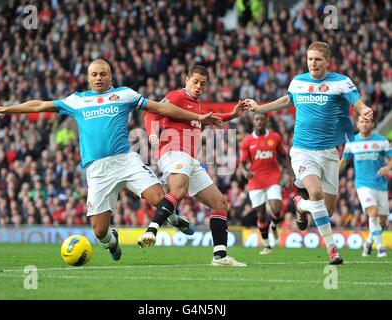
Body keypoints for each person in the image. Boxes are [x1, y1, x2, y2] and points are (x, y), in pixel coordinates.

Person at [0, 59, 222, 261]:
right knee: (99, 232)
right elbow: (40, 105)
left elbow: (163, 109)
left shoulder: (124, 94)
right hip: (97, 170)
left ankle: (172, 217)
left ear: (111, 76)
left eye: (103, 74)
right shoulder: (76, 100)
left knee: (159, 198)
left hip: (126, 160)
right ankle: (112, 241)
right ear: (88, 78)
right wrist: (6, 109)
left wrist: (198, 117)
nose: (99, 78)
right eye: (94, 74)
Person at [247, 41, 374, 265]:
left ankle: (299, 205)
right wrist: (260, 107)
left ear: (328, 61)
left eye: (317, 59)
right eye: (309, 59)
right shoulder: (298, 81)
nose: (312, 63)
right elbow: (287, 100)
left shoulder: (341, 83)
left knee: (328, 209)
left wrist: (365, 110)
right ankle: (332, 249)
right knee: (315, 192)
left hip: (329, 152)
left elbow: (358, 104)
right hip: (303, 150)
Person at [140, 65, 247, 267]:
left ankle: (220, 256)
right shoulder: (177, 97)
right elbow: (150, 112)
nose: (198, 86)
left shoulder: (196, 106)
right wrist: (152, 132)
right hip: (172, 151)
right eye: (195, 81)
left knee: (220, 203)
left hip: (191, 159)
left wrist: (233, 115)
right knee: (179, 189)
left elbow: (211, 119)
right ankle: (151, 230)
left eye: (203, 84)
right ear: (186, 79)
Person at [239, 113, 294, 255]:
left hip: (272, 178)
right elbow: (243, 164)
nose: (259, 121)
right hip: (255, 181)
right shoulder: (247, 141)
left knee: (276, 208)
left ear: (266, 121)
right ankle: (266, 244)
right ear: (253, 121)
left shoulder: (275, 137)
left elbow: (283, 156)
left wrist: (290, 173)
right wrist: (246, 173)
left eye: (262, 119)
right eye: (256, 119)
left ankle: (274, 226)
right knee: (261, 215)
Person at [340, 116, 392, 258]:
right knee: (373, 212)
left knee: (383, 222)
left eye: (367, 121)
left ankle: (368, 242)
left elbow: (391, 159)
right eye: (362, 121)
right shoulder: (351, 142)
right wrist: (331, 175)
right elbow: (344, 161)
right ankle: (381, 248)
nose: (364, 124)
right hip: (363, 184)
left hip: (380, 184)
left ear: (372, 124)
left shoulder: (381, 141)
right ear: (357, 124)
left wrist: (387, 167)